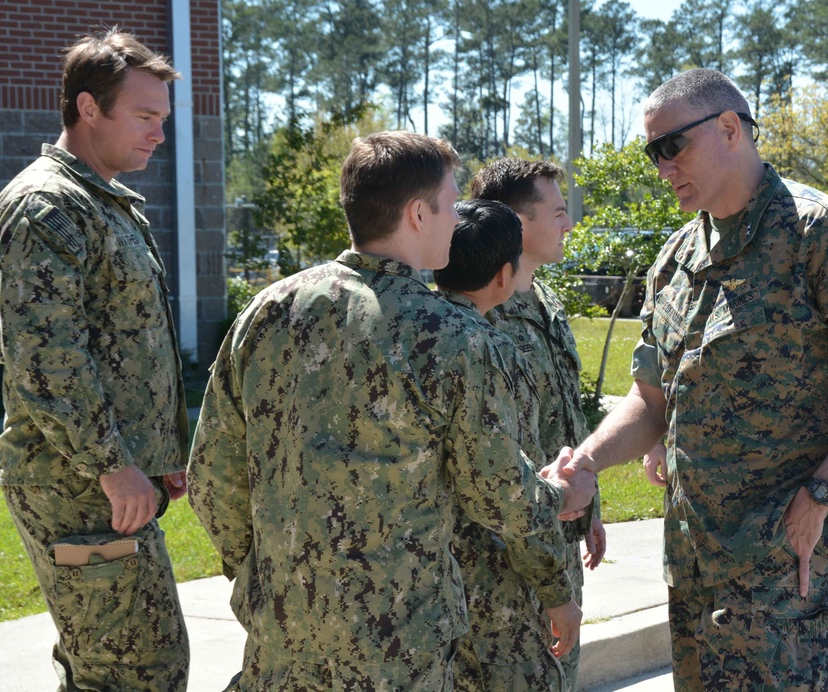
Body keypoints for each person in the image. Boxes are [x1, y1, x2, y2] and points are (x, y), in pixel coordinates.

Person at [555, 68, 828, 690]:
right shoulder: (676, 257)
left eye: (671, 146)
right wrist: (589, 462)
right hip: (693, 563)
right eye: (652, 153)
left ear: (730, 128)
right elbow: (651, 399)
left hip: (775, 569)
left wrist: (821, 494)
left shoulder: (820, 236)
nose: (662, 167)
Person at [187, 132, 597, 690]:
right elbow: (499, 495)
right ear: (417, 215)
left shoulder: (269, 310)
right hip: (401, 645)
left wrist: (263, 578)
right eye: (451, 206)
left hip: (283, 637)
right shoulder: (456, 337)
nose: (458, 219)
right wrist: (562, 497)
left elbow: (212, 477)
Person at [0, 28, 190, 690]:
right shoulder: (47, 205)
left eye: (163, 118)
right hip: (77, 483)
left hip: (114, 481)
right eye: (145, 116)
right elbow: (46, 360)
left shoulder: (106, 204)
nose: (159, 133)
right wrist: (113, 466)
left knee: (112, 667)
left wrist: (159, 455)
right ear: (88, 108)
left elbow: (129, 344)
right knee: (137, 672)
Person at [472, 158, 605, 692]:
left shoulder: (544, 301)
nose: (569, 221)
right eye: (556, 211)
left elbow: (562, 420)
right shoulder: (482, 317)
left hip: (555, 539)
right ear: (515, 223)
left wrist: (587, 512)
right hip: (504, 570)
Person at [434, 198, 573, 690]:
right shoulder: (489, 350)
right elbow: (510, 495)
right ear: (503, 276)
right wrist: (558, 591)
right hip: (494, 593)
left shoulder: (406, 330)